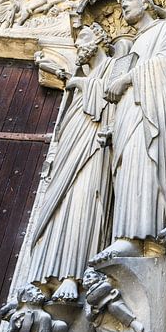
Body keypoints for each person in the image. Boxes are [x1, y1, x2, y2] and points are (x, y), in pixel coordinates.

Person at [28, 24, 118, 300]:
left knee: (85, 198)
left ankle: (74, 274)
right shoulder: (84, 75)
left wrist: (79, 83)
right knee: (61, 203)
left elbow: (114, 96)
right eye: (76, 41)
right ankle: (46, 275)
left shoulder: (114, 65)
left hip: (94, 142)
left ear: (102, 38)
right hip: (72, 142)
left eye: (85, 38)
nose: (79, 45)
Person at [91, 0, 166, 263]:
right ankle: (125, 235)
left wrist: (127, 79)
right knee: (127, 166)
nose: (122, 7)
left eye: (128, 1)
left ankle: (145, 235)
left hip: (150, 109)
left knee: (144, 161)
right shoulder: (134, 43)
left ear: (146, 2)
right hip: (130, 111)